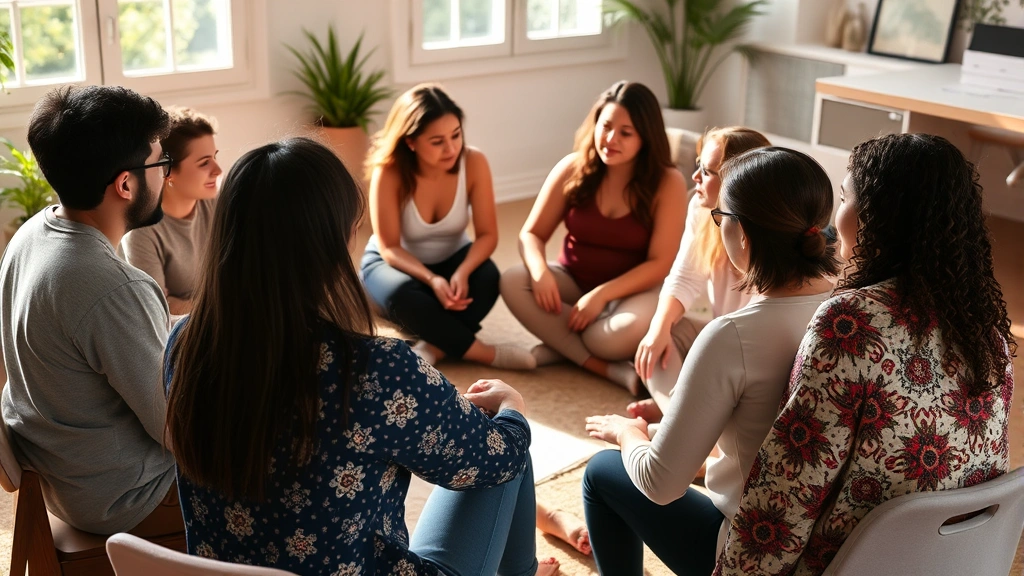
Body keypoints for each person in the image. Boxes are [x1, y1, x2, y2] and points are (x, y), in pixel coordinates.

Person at [165, 137, 558, 576]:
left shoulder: (185, 344)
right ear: (333, 243)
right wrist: (512, 408)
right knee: (506, 442)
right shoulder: (373, 370)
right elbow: (496, 459)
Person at [714, 133, 1016, 576]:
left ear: (877, 215)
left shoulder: (851, 325)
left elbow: (791, 487)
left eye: (843, 197)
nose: (836, 221)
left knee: (606, 479)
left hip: (850, 564)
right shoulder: (985, 330)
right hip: (950, 564)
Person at [582, 147, 840, 576]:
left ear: (744, 236)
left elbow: (660, 485)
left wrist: (627, 433)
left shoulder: (731, 336)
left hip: (754, 552)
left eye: (720, 218)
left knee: (603, 472)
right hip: (835, 547)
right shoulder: (854, 313)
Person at [0, 85, 181, 535]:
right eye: (161, 164)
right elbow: (178, 432)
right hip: (126, 496)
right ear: (125, 183)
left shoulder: (32, 233)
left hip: (63, 469)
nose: (166, 176)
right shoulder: (112, 288)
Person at [501, 80, 687, 393]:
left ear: (646, 136)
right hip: (574, 282)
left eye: (625, 133)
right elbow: (531, 233)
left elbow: (660, 263)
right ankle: (605, 369)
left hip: (634, 293)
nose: (610, 139)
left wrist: (602, 295)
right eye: (606, 126)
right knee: (511, 281)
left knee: (605, 339)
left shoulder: (668, 182)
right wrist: (540, 271)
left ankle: (563, 347)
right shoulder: (573, 168)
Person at [361, 83, 535, 370]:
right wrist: (433, 280)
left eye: (456, 135)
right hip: (394, 262)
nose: (451, 148)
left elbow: (488, 235)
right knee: (402, 296)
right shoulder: (389, 172)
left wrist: (463, 271)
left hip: (453, 256)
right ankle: (484, 353)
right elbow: (389, 246)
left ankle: (432, 348)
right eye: (437, 141)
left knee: (489, 278)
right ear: (410, 141)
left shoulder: (474, 161)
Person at [630, 127, 771, 423]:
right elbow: (685, 276)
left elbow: (755, 337)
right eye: (698, 166)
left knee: (708, 350)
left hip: (751, 358)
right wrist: (659, 328)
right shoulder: (700, 206)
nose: (695, 178)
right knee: (659, 342)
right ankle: (680, 417)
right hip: (722, 338)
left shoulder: (769, 238)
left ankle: (680, 425)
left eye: (706, 172)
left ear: (737, 181)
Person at [122, 106, 222, 315]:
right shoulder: (141, 230)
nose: (218, 170)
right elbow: (158, 309)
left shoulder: (219, 203)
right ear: (167, 172)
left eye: (215, 157)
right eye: (204, 163)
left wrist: (181, 302)